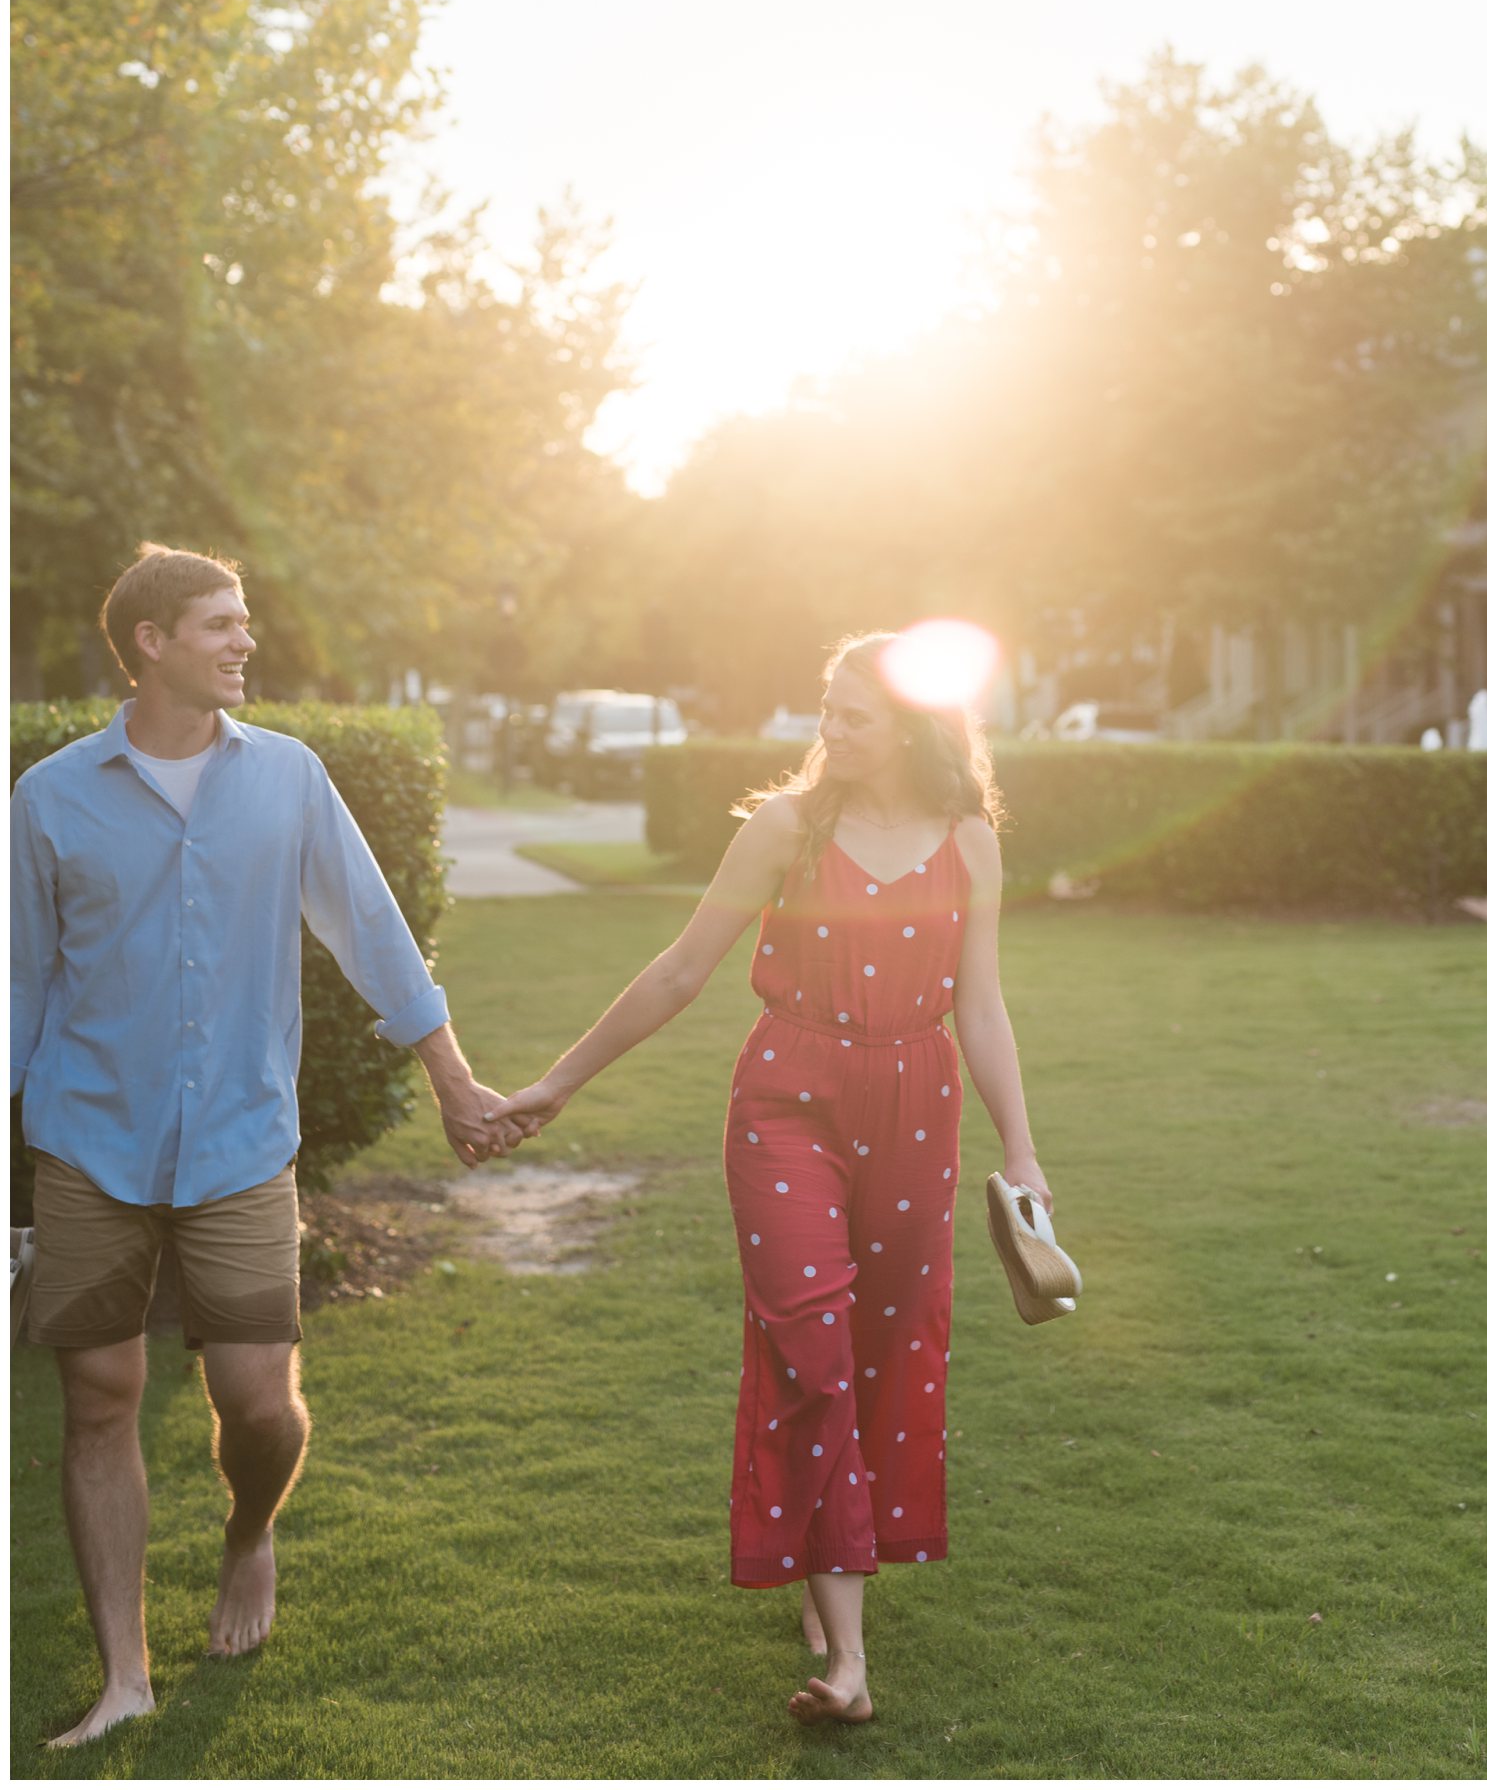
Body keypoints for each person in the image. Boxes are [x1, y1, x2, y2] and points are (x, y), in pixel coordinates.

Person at [10, 543, 522, 1748]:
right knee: (101, 1398)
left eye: (245, 623)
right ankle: (124, 1672)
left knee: (258, 1405)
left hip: (241, 1139)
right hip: (90, 1139)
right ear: (150, 642)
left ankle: (250, 1535)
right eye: (221, 625)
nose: (247, 642)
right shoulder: (50, 797)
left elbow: (372, 932)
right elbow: (18, 981)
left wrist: (454, 1081)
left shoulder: (288, 777)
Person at [498, 629, 1053, 1726]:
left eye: (852, 713)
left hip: (916, 1104)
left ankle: (827, 1559)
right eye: (827, 708)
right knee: (810, 1336)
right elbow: (679, 969)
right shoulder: (786, 829)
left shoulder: (969, 841)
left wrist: (1023, 1151)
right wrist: (557, 1083)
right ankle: (848, 1658)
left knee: (889, 1345)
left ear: (912, 726)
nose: (828, 729)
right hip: (787, 1101)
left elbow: (981, 1007)